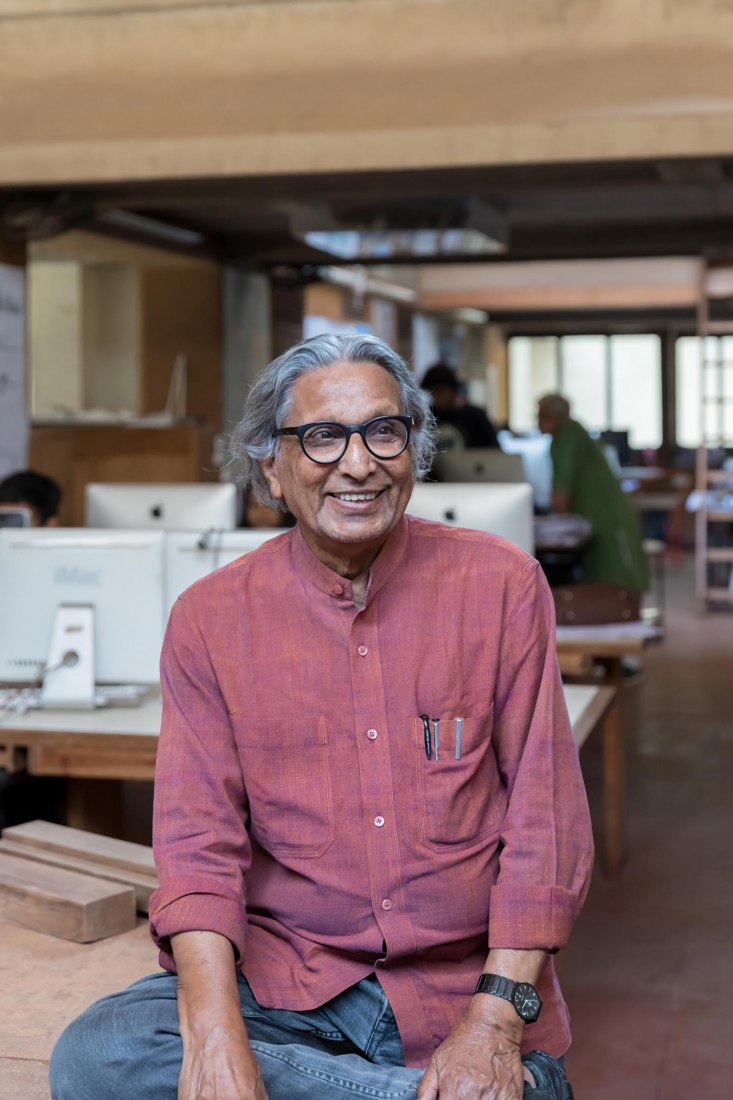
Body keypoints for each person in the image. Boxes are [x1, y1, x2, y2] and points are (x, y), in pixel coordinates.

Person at [50, 335, 593, 1100]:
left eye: (383, 430)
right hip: (286, 992)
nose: (359, 462)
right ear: (270, 466)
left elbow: (546, 824)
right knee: (99, 1053)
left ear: (414, 449)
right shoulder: (211, 618)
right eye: (321, 437)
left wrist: (495, 1024)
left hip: (462, 996)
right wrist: (213, 1041)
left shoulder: (499, 584)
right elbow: (197, 846)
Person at [537, 394, 649, 591]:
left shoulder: (569, 434)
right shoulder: (564, 437)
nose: (537, 419)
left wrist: (553, 517)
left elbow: (561, 490)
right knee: (597, 581)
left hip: (608, 516)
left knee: (618, 584)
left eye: (542, 414)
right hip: (592, 516)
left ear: (555, 416)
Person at [421, 362, 500, 449]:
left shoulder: (475, 417)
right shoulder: (427, 418)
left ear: (452, 390)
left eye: (440, 390)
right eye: (432, 391)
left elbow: (494, 454)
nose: (436, 395)